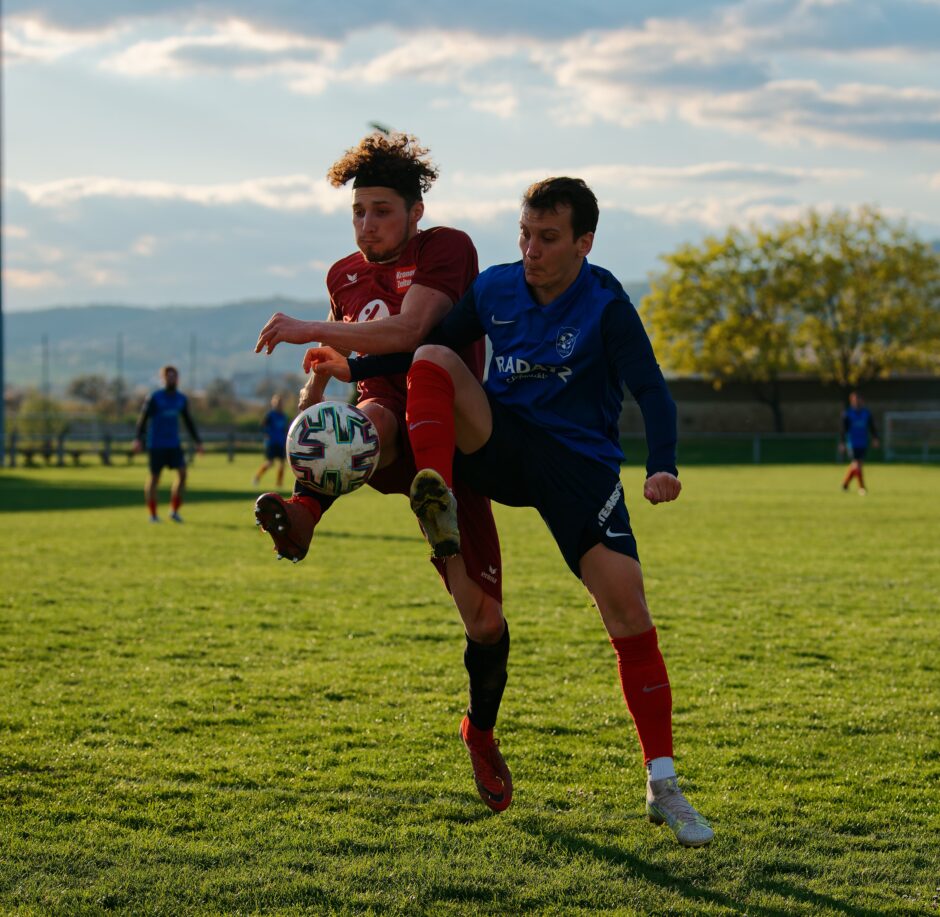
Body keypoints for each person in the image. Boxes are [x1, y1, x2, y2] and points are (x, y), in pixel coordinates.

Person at [307, 177, 714, 847]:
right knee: (439, 353)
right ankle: (433, 487)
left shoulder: (606, 302)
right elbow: (419, 351)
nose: (530, 249)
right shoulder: (495, 287)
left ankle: (662, 784)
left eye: (547, 238)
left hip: (577, 471)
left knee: (629, 611)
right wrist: (351, 365)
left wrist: (662, 463)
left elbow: (651, 390)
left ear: (583, 242)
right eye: (524, 234)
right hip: (501, 442)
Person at [253, 133, 511, 811]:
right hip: (383, 429)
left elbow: (406, 331)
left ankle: (479, 730)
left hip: (455, 437)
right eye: (359, 211)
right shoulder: (343, 275)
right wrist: (313, 394)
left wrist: (311, 329)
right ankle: (303, 516)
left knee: (483, 621)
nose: (368, 224)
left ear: (416, 210)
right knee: (364, 420)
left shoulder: (447, 248)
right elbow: (351, 360)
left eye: (382, 210)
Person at [132, 365, 203, 523]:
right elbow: (142, 419)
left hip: (174, 444)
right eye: (168, 376)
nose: (171, 379)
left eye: (174, 376)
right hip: (156, 444)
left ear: (177, 379)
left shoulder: (181, 399)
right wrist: (138, 438)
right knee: (155, 479)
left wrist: (198, 442)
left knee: (183, 474)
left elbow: (188, 421)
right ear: (163, 379)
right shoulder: (154, 397)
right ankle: (153, 514)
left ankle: (174, 511)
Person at [840, 391, 879, 495]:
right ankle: (862, 487)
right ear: (851, 401)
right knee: (857, 464)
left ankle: (845, 483)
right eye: (854, 400)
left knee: (857, 465)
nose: (856, 401)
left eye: (858, 399)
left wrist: (875, 438)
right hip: (852, 442)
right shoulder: (848, 414)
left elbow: (872, 427)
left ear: (862, 400)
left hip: (863, 442)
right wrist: (842, 442)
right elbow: (843, 429)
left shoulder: (866, 413)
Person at [253, 394, 289, 488]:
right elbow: (262, 426)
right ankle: (257, 477)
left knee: (282, 464)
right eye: (277, 403)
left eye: (280, 403)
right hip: (272, 443)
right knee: (270, 463)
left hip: (281, 443)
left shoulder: (283, 416)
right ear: (273, 403)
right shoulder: (270, 415)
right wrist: (266, 434)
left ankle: (279, 484)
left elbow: (285, 429)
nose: (279, 405)